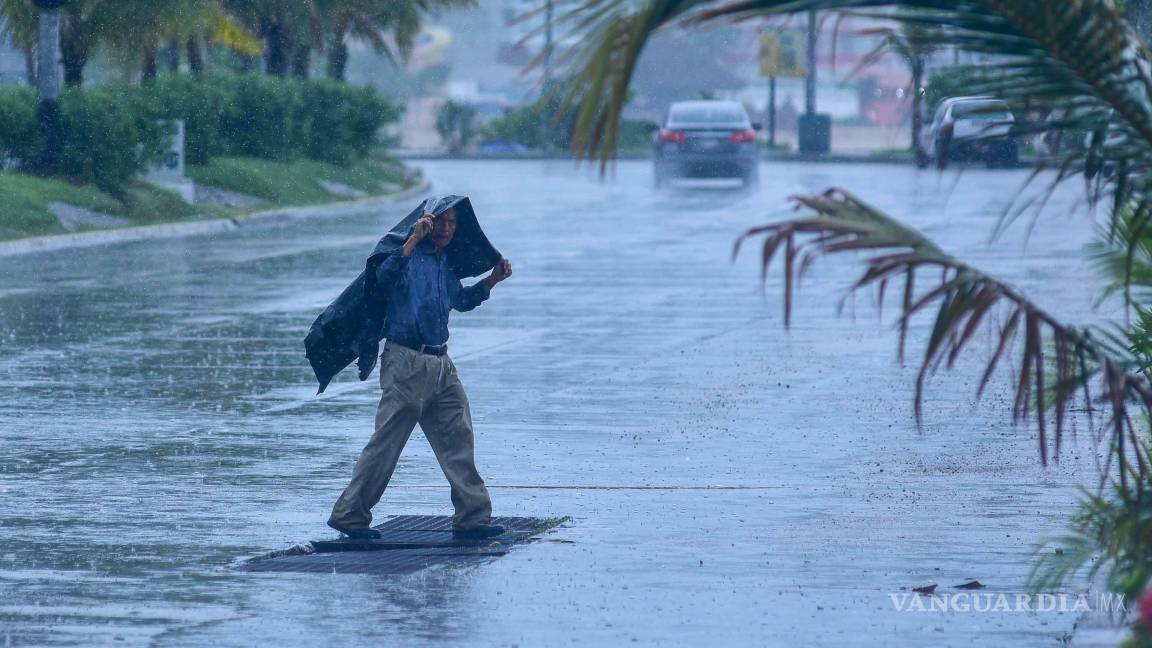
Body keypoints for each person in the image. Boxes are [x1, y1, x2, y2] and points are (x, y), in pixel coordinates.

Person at [327, 207, 512, 540]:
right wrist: (413, 239)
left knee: (458, 438)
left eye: (452, 223)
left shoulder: (444, 263)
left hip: (441, 364)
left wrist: (492, 280)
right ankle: (350, 516)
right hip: (406, 364)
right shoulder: (407, 256)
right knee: (386, 444)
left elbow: (461, 300)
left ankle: (472, 518)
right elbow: (382, 279)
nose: (445, 228)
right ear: (426, 222)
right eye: (439, 221)